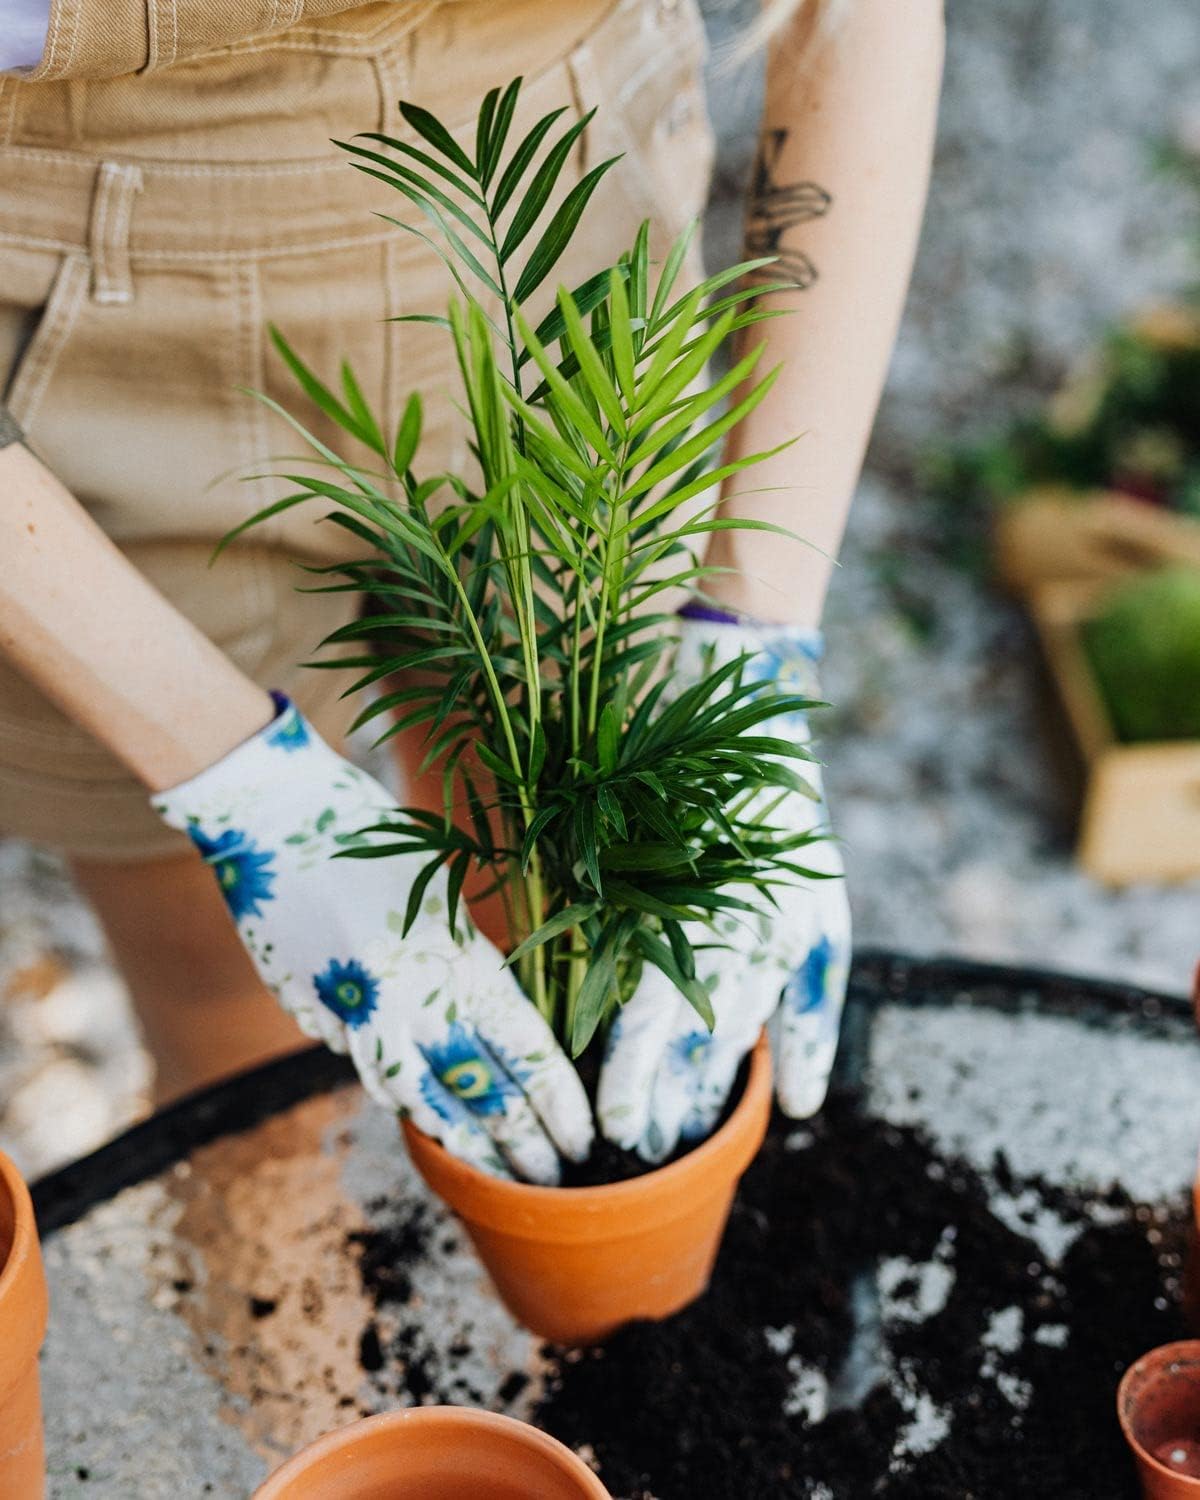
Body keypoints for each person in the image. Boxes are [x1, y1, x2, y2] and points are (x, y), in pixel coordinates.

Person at [0, 0, 944, 1178]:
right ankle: (285, 1344)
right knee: (241, 1045)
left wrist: (755, 631)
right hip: (91, 331)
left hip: (557, 239)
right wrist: (240, 789)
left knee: (578, 892)